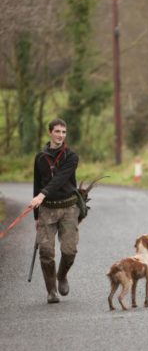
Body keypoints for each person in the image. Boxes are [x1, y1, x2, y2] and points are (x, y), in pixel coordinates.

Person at [30, 118, 80, 303]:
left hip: (68, 208)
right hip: (46, 210)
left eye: (64, 132)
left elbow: (60, 178)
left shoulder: (71, 156)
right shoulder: (40, 157)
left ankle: (62, 275)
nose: (61, 135)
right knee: (46, 252)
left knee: (69, 251)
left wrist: (43, 194)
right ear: (50, 132)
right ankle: (51, 291)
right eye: (57, 131)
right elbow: (37, 184)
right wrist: (36, 215)